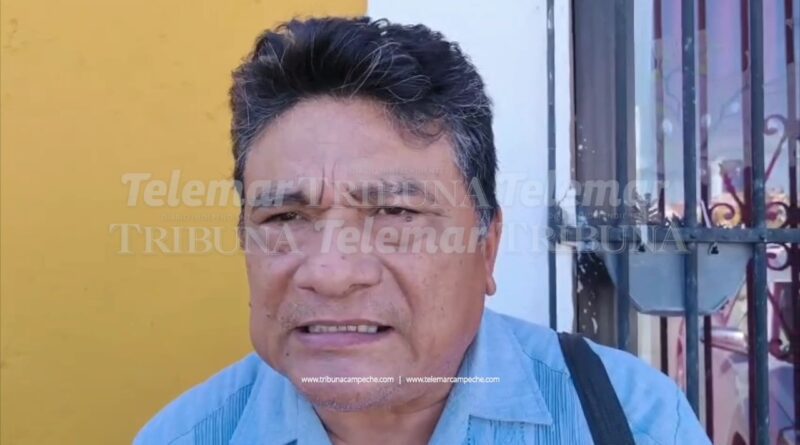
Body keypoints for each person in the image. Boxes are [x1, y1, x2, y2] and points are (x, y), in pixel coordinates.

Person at [134, 17, 710, 445]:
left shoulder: (630, 420)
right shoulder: (184, 436)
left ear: (487, 248)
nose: (330, 274)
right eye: (284, 219)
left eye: (395, 214)